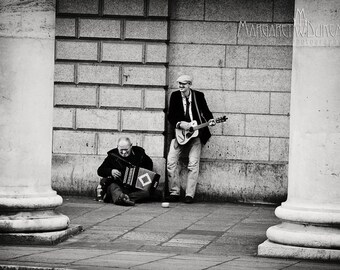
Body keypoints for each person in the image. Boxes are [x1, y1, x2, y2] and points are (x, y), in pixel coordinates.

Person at [166, 75, 216, 204]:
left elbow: (206, 111)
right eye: (179, 84)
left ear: (189, 84)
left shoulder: (198, 96)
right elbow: (171, 115)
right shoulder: (175, 96)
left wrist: (210, 120)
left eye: (183, 84)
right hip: (179, 134)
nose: (181, 86)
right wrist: (179, 124)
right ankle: (174, 192)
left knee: (193, 165)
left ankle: (189, 195)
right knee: (171, 162)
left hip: (195, 135)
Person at [97, 137, 153, 206]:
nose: (123, 152)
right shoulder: (112, 156)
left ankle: (122, 198)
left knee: (146, 193)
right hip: (118, 185)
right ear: (117, 147)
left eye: (126, 150)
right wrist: (111, 171)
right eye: (121, 150)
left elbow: (149, 164)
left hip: (133, 188)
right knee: (113, 187)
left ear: (131, 146)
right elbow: (100, 170)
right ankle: (121, 197)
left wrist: (141, 173)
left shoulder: (140, 154)